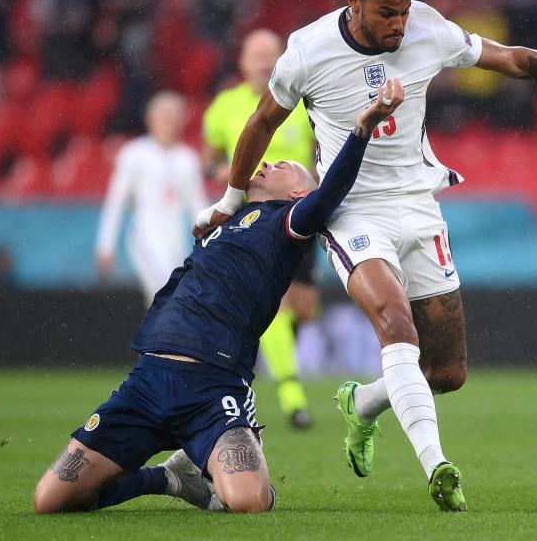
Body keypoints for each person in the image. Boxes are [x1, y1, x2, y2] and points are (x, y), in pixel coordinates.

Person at [193, 0, 537, 512]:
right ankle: (439, 468)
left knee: (447, 372)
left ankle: (364, 404)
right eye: (385, 14)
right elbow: (260, 125)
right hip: (351, 211)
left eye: (402, 13)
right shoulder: (307, 49)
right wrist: (229, 201)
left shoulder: (427, 27)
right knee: (396, 327)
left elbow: (510, 60)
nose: (398, 25)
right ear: (353, 3)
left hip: (419, 206)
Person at [33, 80, 406, 515]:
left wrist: (362, 129)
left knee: (249, 502)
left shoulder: (286, 224)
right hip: (149, 379)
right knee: (51, 501)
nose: (267, 163)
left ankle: (211, 453)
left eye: (282, 164)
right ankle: (170, 478)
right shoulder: (225, 219)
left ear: (298, 194)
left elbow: (330, 193)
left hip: (214, 388)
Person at [203, 28, 318, 429]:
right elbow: (210, 159)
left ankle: (276, 361)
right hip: (252, 217)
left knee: (302, 308)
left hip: (299, 215)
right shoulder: (224, 106)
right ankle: (293, 399)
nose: (264, 62)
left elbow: (322, 157)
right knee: (280, 304)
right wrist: (227, 174)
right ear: (243, 61)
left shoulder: (301, 104)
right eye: (257, 55)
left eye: (271, 54)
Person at [96, 91, 207, 304]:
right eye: (164, 117)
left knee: (168, 296)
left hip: (175, 237)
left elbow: (197, 206)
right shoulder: (134, 154)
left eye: (174, 118)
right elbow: (116, 202)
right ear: (150, 119)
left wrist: (210, 243)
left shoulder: (188, 159)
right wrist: (105, 244)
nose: (169, 124)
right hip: (145, 234)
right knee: (164, 290)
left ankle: (156, 337)